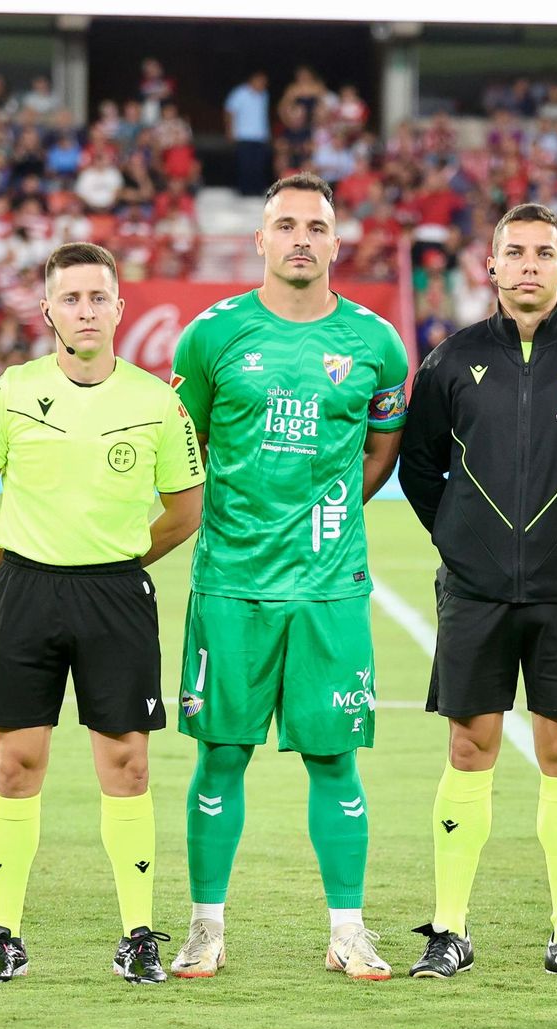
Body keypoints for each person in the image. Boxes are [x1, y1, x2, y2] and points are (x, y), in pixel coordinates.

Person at [167, 173, 410, 980]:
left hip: (329, 590)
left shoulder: (377, 344)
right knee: (220, 757)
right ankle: (205, 928)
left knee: (335, 761)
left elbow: (381, 450)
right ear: (261, 239)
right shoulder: (211, 336)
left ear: (337, 241)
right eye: (286, 225)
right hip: (230, 585)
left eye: (316, 226)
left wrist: (326, 519)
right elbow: (186, 446)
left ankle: (349, 931)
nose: (301, 238)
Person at [398, 203, 557, 980]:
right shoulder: (449, 362)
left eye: (545, 252)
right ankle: (449, 930)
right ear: (493, 266)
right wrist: (463, 540)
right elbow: (420, 470)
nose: (530, 265)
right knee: (468, 748)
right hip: (473, 593)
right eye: (516, 252)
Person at [0, 241, 204, 984]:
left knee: (127, 765)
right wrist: (15, 576)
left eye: (98, 298)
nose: (85, 311)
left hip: (115, 596)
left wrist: (117, 566)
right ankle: (3, 934)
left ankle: (137, 935)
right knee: (16, 763)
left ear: (119, 308)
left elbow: (185, 510)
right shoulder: (11, 391)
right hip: (25, 592)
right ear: (48, 311)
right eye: (71, 299)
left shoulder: (157, 402)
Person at [224, 72, 271, 198]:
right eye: (261, 82)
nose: (263, 85)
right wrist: (230, 131)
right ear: (252, 80)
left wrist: (267, 133)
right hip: (244, 135)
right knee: (245, 165)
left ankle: (257, 190)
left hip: (260, 136)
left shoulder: (264, 95)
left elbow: (263, 116)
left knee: (259, 165)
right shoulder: (239, 93)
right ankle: (244, 191)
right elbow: (229, 112)